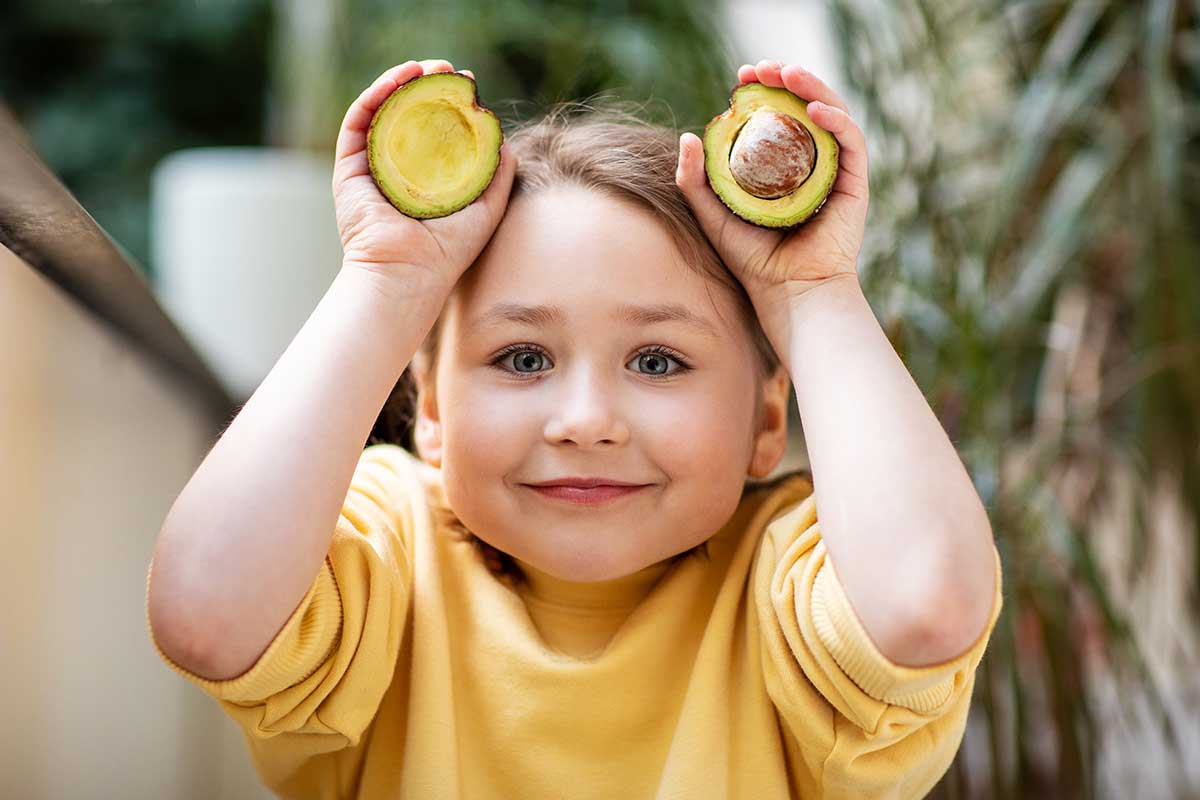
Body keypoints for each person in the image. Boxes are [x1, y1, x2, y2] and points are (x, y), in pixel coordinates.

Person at [145, 57, 1003, 799]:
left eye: (657, 361)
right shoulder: (390, 553)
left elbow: (926, 606)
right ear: (431, 410)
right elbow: (206, 614)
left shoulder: (794, 586)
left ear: (766, 418)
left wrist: (812, 295)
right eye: (523, 358)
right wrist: (384, 280)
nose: (587, 423)